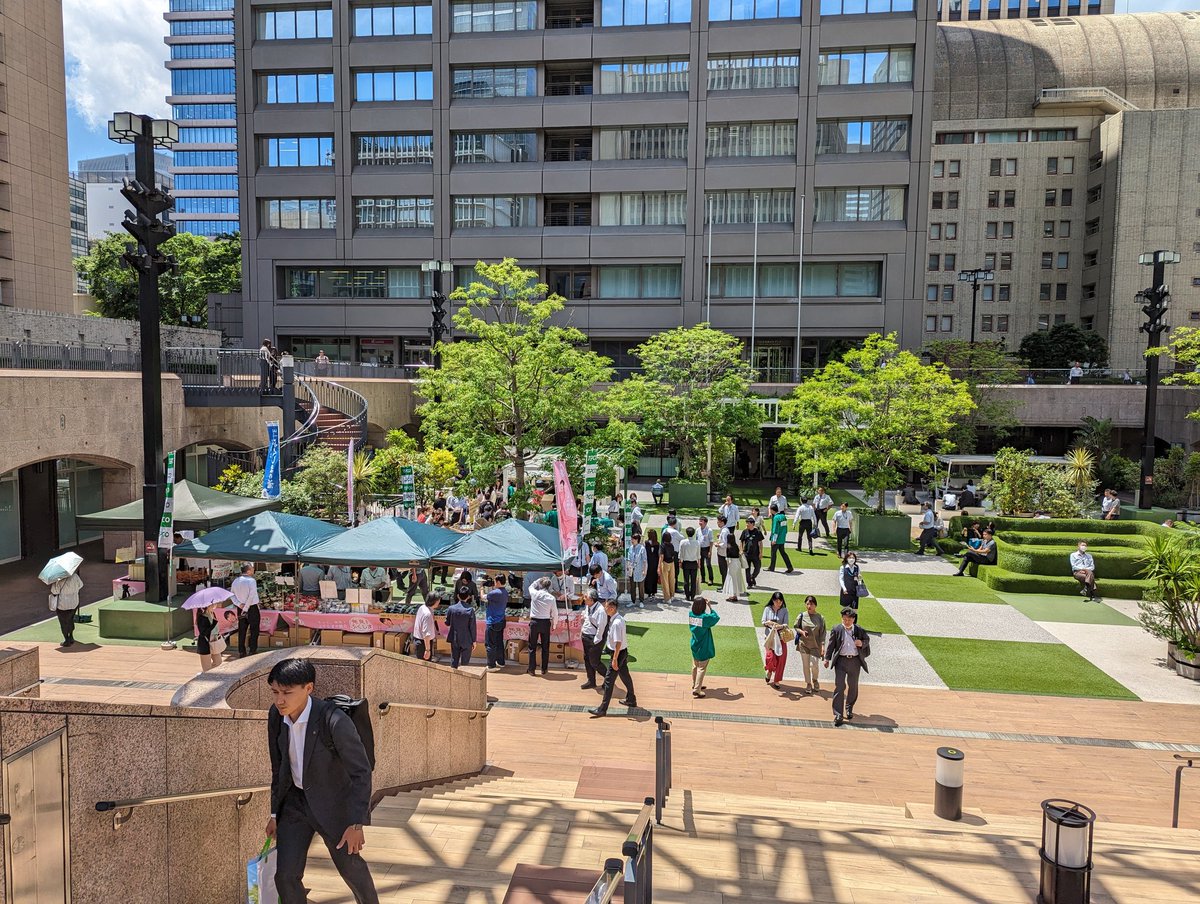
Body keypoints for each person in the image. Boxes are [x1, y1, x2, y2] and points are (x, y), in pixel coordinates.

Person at [266, 658, 378, 904]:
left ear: (308, 688)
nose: (279, 700)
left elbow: (361, 771)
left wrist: (356, 823)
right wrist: (275, 813)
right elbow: (279, 767)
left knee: (351, 869)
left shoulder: (334, 721)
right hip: (295, 803)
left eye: (287, 693)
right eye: (275, 692)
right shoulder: (276, 716)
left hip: (334, 805)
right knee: (285, 877)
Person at [588, 598, 637, 715]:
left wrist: (614, 659)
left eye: (606, 607)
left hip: (617, 653)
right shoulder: (619, 619)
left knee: (609, 681)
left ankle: (602, 709)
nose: (605, 609)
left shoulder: (616, 623)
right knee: (625, 676)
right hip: (622, 652)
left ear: (612, 608)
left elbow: (618, 642)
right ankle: (631, 699)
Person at [824, 607, 871, 726]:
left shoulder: (859, 630)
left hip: (855, 661)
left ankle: (849, 707)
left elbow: (867, 639)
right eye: (844, 619)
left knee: (853, 686)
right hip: (840, 662)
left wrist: (862, 643)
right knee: (839, 686)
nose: (846, 622)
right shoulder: (837, 629)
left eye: (849, 619)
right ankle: (838, 714)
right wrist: (827, 658)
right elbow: (831, 645)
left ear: (853, 619)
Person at [793, 595, 826, 695]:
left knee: (814, 665)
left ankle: (815, 680)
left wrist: (823, 647)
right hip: (804, 644)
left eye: (811, 604)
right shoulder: (801, 616)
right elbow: (796, 627)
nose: (809, 606)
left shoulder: (820, 618)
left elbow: (823, 633)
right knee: (806, 665)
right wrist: (802, 632)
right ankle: (808, 683)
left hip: (815, 645)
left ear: (815, 605)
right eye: (807, 604)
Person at [688, 596, 719, 698]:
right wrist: (710, 606)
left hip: (694, 644)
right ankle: (697, 690)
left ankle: (695, 684)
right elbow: (715, 618)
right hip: (704, 646)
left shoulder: (691, 614)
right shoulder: (704, 618)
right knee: (702, 667)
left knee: (695, 666)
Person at [526, 577, 559, 675]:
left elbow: (531, 586)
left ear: (540, 585)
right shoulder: (551, 598)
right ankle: (544, 668)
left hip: (535, 622)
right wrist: (554, 625)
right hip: (545, 623)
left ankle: (531, 669)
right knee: (545, 646)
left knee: (532, 646)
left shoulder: (535, 594)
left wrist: (538, 580)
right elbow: (555, 613)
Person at [579, 588, 607, 690]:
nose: (584, 598)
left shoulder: (600, 610)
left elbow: (601, 627)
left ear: (591, 599)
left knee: (595, 661)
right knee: (587, 659)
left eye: (585, 597)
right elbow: (586, 616)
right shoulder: (588, 606)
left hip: (594, 638)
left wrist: (596, 640)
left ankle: (609, 678)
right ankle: (591, 681)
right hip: (586, 636)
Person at [231, 563, 261, 658]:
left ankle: (241, 651)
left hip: (240, 607)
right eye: (252, 569)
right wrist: (246, 607)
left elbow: (231, 594)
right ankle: (252, 649)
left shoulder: (235, 581)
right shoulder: (251, 581)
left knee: (242, 630)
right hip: (251, 607)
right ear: (248, 571)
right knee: (254, 629)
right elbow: (251, 595)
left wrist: (239, 604)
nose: (253, 570)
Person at [48, 570, 84, 647]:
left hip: (62, 604)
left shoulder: (58, 579)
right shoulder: (75, 576)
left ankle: (66, 639)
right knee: (70, 619)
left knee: (63, 622)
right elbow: (81, 585)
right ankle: (71, 636)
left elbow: (54, 591)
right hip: (74, 602)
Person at [762, 592, 790, 690]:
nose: (778, 603)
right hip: (770, 638)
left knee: (781, 659)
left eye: (780, 601)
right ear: (773, 600)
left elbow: (786, 624)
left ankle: (777, 679)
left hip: (781, 638)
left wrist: (779, 626)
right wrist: (768, 623)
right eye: (776, 601)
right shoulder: (767, 609)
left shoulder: (785, 610)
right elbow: (763, 622)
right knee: (770, 657)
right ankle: (769, 670)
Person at [445, 587, 478, 668]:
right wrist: (474, 641)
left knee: (454, 660)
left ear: (458, 596)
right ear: (468, 597)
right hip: (467, 639)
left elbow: (447, 623)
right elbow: (472, 627)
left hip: (455, 638)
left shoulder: (451, 608)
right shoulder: (470, 610)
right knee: (465, 663)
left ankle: (452, 678)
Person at [484, 575, 508, 671]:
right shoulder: (505, 592)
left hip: (492, 622)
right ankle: (501, 662)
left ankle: (491, 665)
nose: (493, 583)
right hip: (501, 620)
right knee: (499, 643)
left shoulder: (495, 593)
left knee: (490, 644)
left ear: (498, 582)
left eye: (494, 581)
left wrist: (482, 587)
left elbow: (483, 597)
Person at [411, 592, 441, 660]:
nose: (439, 602)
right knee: (424, 665)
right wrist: (427, 650)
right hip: (423, 643)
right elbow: (426, 634)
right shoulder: (427, 614)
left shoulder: (422, 607)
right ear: (435, 601)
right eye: (438, 600)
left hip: (419, 640)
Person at [196, 603, 224, 671]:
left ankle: (212, 675)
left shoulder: (213, 614)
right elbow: (203, 633)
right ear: (207, 606)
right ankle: (206, 677)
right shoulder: (202, 617)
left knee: (218, 662)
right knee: (206, 667)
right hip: (205, 643)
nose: (214, 605)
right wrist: (213, 624)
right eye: (212, 604)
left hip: (214, 641)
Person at [768, 505, 795, 574]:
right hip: (782, 538)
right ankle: (790, 567)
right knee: (783, 553)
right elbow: (785, 528)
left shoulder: (776, 518)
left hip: (776, 539)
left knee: (773, 553)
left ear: (772, 510)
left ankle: (772, 567)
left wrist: (774, 539)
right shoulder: (783, 516)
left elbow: (775, 529)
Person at [721, 527, 746, 602]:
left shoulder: (729, 547)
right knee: (737, 578)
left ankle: (733, 595)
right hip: (737, 562)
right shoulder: (736, 546)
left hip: (732, 563)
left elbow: (727, 558)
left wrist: (727, 565)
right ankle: (735, 594)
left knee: (732, 579)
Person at [740, 517, 765, 589]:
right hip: (746, 554)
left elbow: (760, 543)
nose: (747, 524)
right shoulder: (745, 531)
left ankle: (752, 577)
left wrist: (761, 553)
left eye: (748, 523)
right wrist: (741, 550)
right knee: (747, 569)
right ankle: (749, 583)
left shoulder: (758, 532)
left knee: (758, 568)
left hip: (755, 554)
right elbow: (741, 541)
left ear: (752, 524)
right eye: (746, 523)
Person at [679, 527, 701, 600]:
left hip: (686, 563)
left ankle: (687, 595)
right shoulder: (697, 542)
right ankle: (692, 596)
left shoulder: (683, 542)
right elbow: (698, 555)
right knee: (693, 580)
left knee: (686, 580)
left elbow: (681, 554)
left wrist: (680, 562)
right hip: (694, 563)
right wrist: (699, 563)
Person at [627, 533, 647, 608]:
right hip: (632, 569)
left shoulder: (642, 548)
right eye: (632, 539)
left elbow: (645, 560)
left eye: (633, 539)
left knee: (641, 586)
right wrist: (628, 567)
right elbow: (629, 558)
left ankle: (641, 601)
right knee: (632, 586)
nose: (632, 541)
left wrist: (644, 570)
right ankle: (633, 601)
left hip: (639, 569)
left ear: (637, 540)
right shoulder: (630, 548)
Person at [658, 530, 678, 603]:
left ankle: (667, 598)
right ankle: (672, 595)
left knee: (665, 581)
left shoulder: (662, 546)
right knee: (671, 580)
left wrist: (659, 567)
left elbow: (661, 557)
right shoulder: (671, 545)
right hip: (671, 563)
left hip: (665, 563)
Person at [643, 529, 660, 599]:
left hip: (648, 561)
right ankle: (653, 591)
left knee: (648, 577)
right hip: (655, 562)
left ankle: (648, 592)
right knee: (654, 577)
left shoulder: (646, 543)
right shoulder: (657, 544)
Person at [697, 516, 714, 585]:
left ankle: (711, 579)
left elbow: (711, 541)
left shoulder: (709, 530)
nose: (700, 522)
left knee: (708, 564)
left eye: (701, 521)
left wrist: (710, 551)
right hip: (700, 549)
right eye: (699, 521)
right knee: (701, 564)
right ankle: (703, 578)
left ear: (705, 522)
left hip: (707, 549)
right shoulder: (697, 530)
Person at [715, 515, 731, 585]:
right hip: (722, 553)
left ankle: (724, 586)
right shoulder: (723, 530)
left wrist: (717, 545)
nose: (717, 523)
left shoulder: (724, 531)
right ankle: (724, 585)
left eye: (718, 522)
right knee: (723, 571)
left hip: (723, 554)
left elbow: (724, 544)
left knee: (723, 570)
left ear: (722, 522)